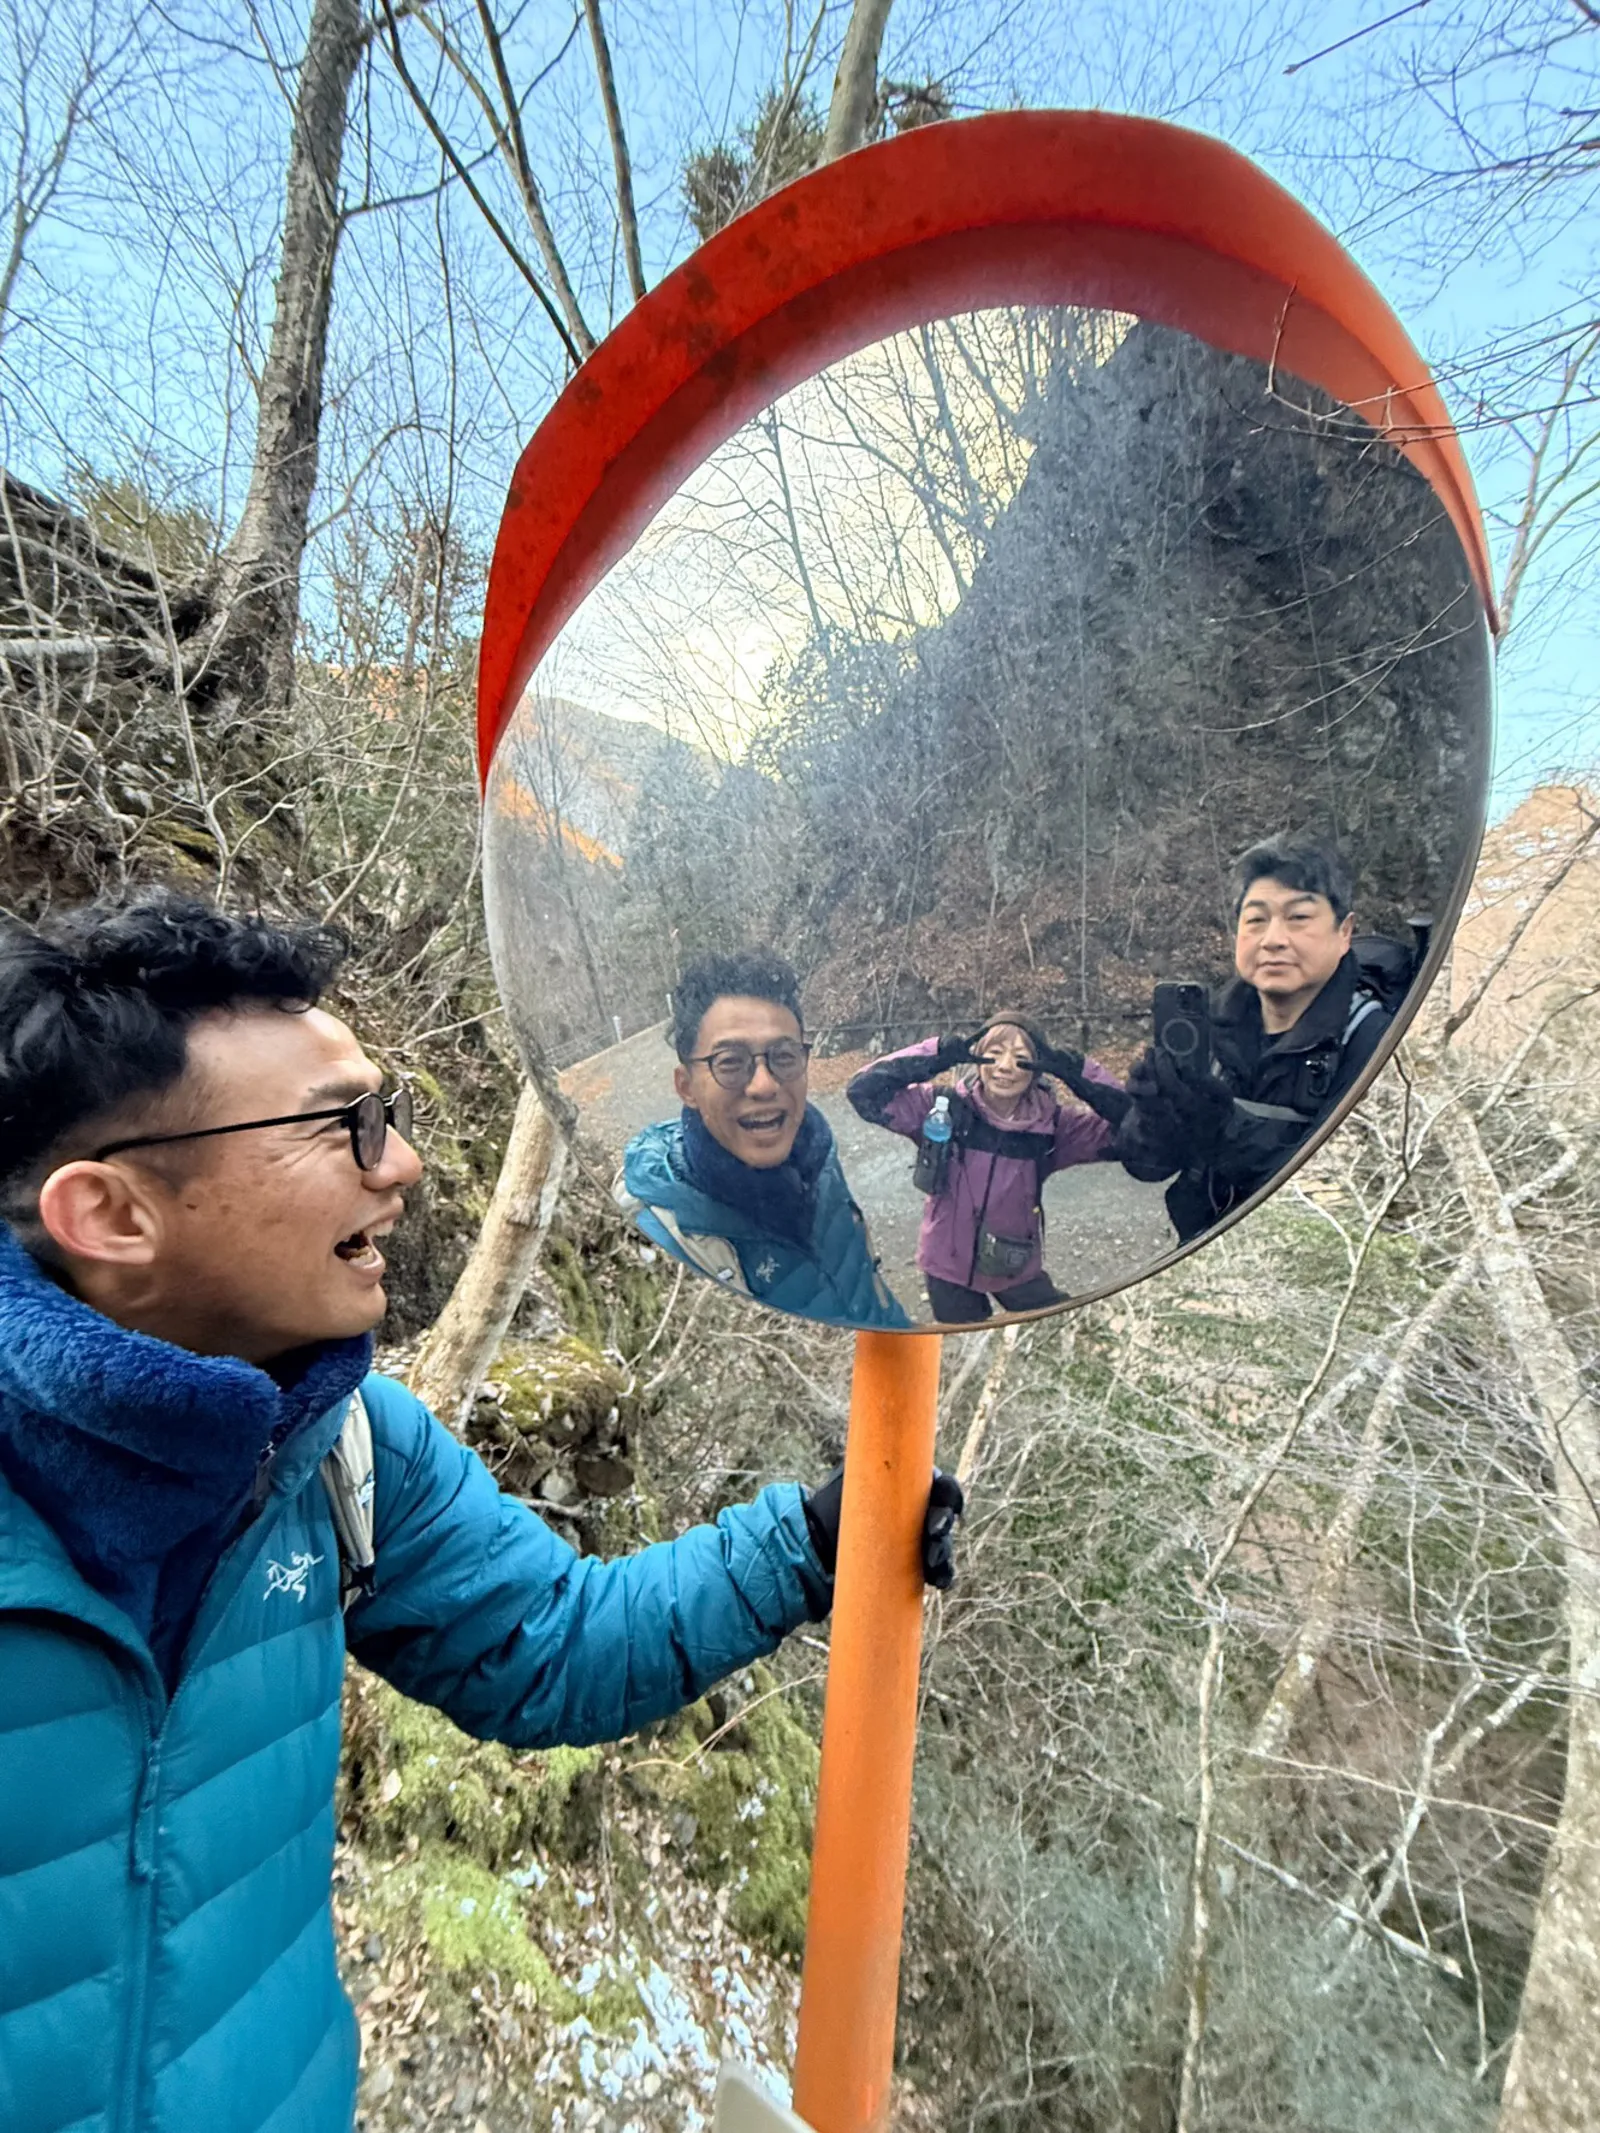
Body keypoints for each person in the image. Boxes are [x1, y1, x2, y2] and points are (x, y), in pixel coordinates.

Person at [0, 894, 959, 2133]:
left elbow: (553, 1641)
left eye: (384, 1114)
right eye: (339, 1129)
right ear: (113, 1215)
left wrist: (814, 1541)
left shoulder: (339, 1444)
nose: (399, 1164)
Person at [1115, 836, 1412, 1241]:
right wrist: (1154, 1118)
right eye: (1256, 920)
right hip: (1202, 1254)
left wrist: (1224, 1127)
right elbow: (1145, 1166)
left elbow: (1350, 1191)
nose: (1273, 939)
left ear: (1344, 933)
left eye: (1298, 918)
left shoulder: (1377, 1041)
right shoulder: (1214, 1033)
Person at [618, 950, 912, 1330]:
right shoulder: (657, 1237)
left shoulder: (817, 1157)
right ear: (686, 1086)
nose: (763, 1085)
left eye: (784, 1056)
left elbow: (870, 1293)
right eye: (730, 1062)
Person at [846, 1015, 1128, 1323]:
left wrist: (1077, 1072)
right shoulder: (940, 1109)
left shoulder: (1054, 1126)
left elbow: (1131, 1128)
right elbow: (863, 1091)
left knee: (1053, 1330)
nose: (1004, 1067)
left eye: (1021, 1059)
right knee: (969, 1349)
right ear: (977, 1055)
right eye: (993, 1054)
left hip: (1016, 1267)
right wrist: (938, 1052)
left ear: (1038, 1067)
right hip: (946, 1267)